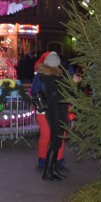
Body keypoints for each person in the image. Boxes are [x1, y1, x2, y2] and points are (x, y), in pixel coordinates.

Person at [37, 52, 81, 182]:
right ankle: (47, 172)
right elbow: (60, 95)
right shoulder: (53, 79)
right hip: (56, 113)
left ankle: (53, 169)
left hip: (56, 112)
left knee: (57, 142)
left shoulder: (50, 77)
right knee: (55, 142)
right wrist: (73, 84)